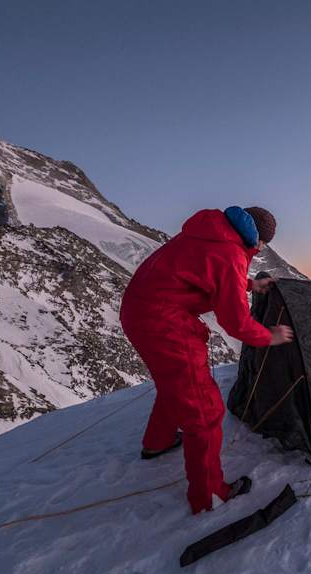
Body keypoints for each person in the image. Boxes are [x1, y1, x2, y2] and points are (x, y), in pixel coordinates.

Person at [120, 206, 294, 514]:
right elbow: (236, 322)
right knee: (204, 409)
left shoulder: (212, 232)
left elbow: (205, 269)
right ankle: (209, 495)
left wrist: (248, 284)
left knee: (176, 383)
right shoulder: (230, 254)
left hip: (141, 310)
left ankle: (158, 441)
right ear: (260, 241)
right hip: (163, 321)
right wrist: (270, 336)